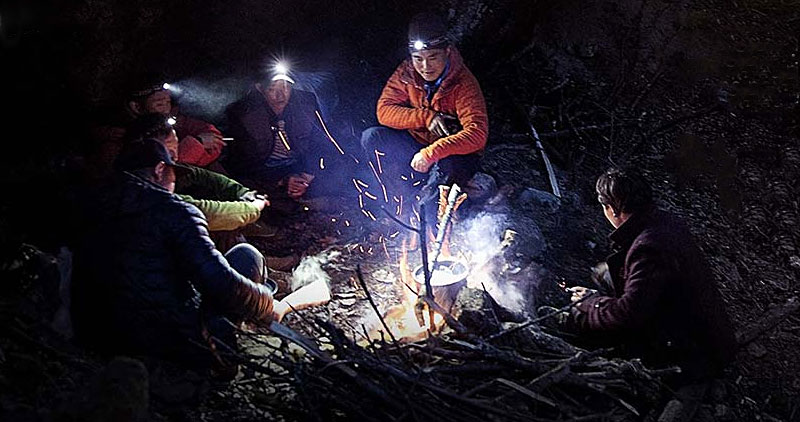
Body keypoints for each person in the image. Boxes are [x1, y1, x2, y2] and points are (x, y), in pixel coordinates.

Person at [71, 139, 291, 374]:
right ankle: (221, 357)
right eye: (173, 174)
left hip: (95, 333)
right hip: (165, 339)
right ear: (159, 170)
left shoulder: (90, 202)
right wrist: (266, 302)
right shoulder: (174, 210)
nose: (175, 183)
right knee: (247, 256)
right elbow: (220, 283)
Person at [565, 167, 736, 384]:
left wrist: (591, 304)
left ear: (613, 209)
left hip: (692, 355)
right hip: (704, 338)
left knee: (579, 321)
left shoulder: (648, 247)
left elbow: (628, 315)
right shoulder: (665, 223)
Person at [360, 12, 488, 213]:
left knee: (443, 175)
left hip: (452, 155)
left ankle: (431, 216)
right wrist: (427, 117)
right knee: (372, 137)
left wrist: (432, 152)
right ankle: (398, 201)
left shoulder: (463, 83)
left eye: (433, 57)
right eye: (418, 59)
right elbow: (383, 111)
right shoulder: (407, 73)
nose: (425, 67)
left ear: (447, 51)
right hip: (417, 147)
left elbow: (477, 134)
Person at [125, 113, 267, 233]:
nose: (175, 157)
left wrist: (242, 192)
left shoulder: (157, 171)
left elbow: (204, 177)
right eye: (169, 151)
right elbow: (208, 213)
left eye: (176, 148)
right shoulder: (142, 192)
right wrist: (254, 207)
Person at [225, 64, 344, 203]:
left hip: (300, 164)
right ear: (260, 88)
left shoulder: (306, 103)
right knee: (242, 183)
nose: (280, 95)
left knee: (340, 167)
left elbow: (320, 141)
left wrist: (308, 174)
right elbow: (242, 162)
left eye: (286, 87)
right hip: (267, 169)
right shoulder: (243, 113)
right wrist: (282, 180)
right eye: (272, 89)